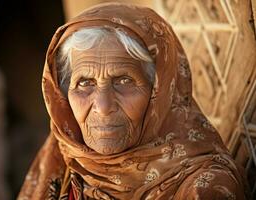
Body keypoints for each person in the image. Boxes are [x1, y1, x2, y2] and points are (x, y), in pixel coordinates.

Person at [18, 3, 246, 200]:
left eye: (124, 81)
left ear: (160, 92)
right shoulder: (64, 159)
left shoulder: (204, 189)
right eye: (85, 83)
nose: (103, 107)